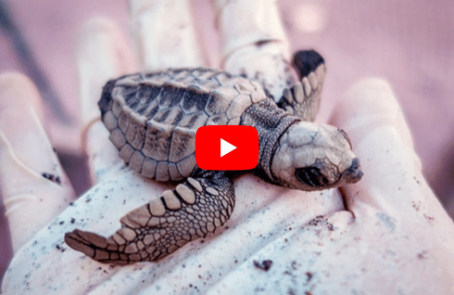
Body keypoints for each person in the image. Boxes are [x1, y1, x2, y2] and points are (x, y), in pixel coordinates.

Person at [1, 0, 453, 293]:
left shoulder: (267, 115)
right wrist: (120, 248)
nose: (353, 170)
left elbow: (307, 80)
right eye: (315, 176)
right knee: (211, 206)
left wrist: (310, 69)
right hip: (138, 115)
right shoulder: (223, 174)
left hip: (181, 94)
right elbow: (305, 82)